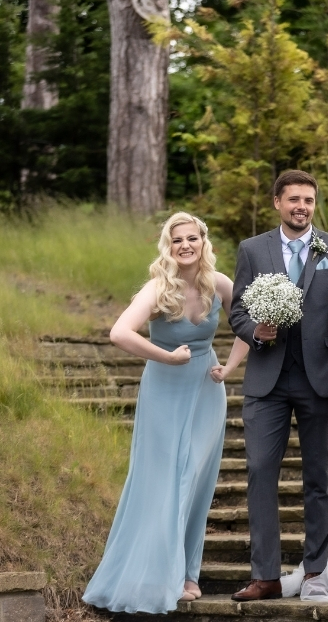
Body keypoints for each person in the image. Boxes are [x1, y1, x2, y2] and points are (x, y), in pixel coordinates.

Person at [83, 213, 249, 614]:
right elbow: (120, 333)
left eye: (192, 238)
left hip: (206, 391)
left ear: (203, 242)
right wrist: (167, 357)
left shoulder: (220, 283)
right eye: (177, 240)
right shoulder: (158, 287)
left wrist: (229, 367)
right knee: (163, 481)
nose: (185, 245)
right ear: (168, 246)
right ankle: (162, 575)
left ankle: (188, 574)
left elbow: (250, 327)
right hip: (164, 389)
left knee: (195, 482)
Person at [228, 170, 328, 601]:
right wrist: (254, 331)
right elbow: (238, 311)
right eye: (294, 199)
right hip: (267, 379)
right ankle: (265, 575)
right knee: (260, 471)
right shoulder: (252, 249)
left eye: (308, 200)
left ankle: (315, 571)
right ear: (277, 203)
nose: (301, 207)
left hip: (321, 380)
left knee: (319, 477)